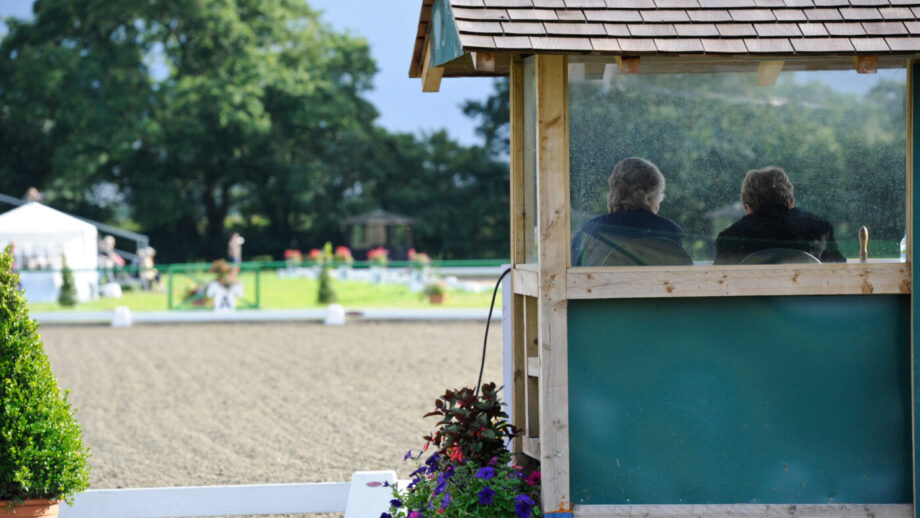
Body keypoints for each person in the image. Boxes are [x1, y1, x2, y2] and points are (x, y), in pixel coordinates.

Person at [713, 166, 846, 265]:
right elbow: (839, 274)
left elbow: (719, 285)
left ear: (747, 207)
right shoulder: (820, 229)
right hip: (808, 302)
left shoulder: (730, 239)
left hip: (752, 303)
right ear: (791, 202)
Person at [571, 157, 684, 266]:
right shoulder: (670, 232)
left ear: (614, 193)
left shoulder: (588, 232)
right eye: (660, 197)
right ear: (650, 198)